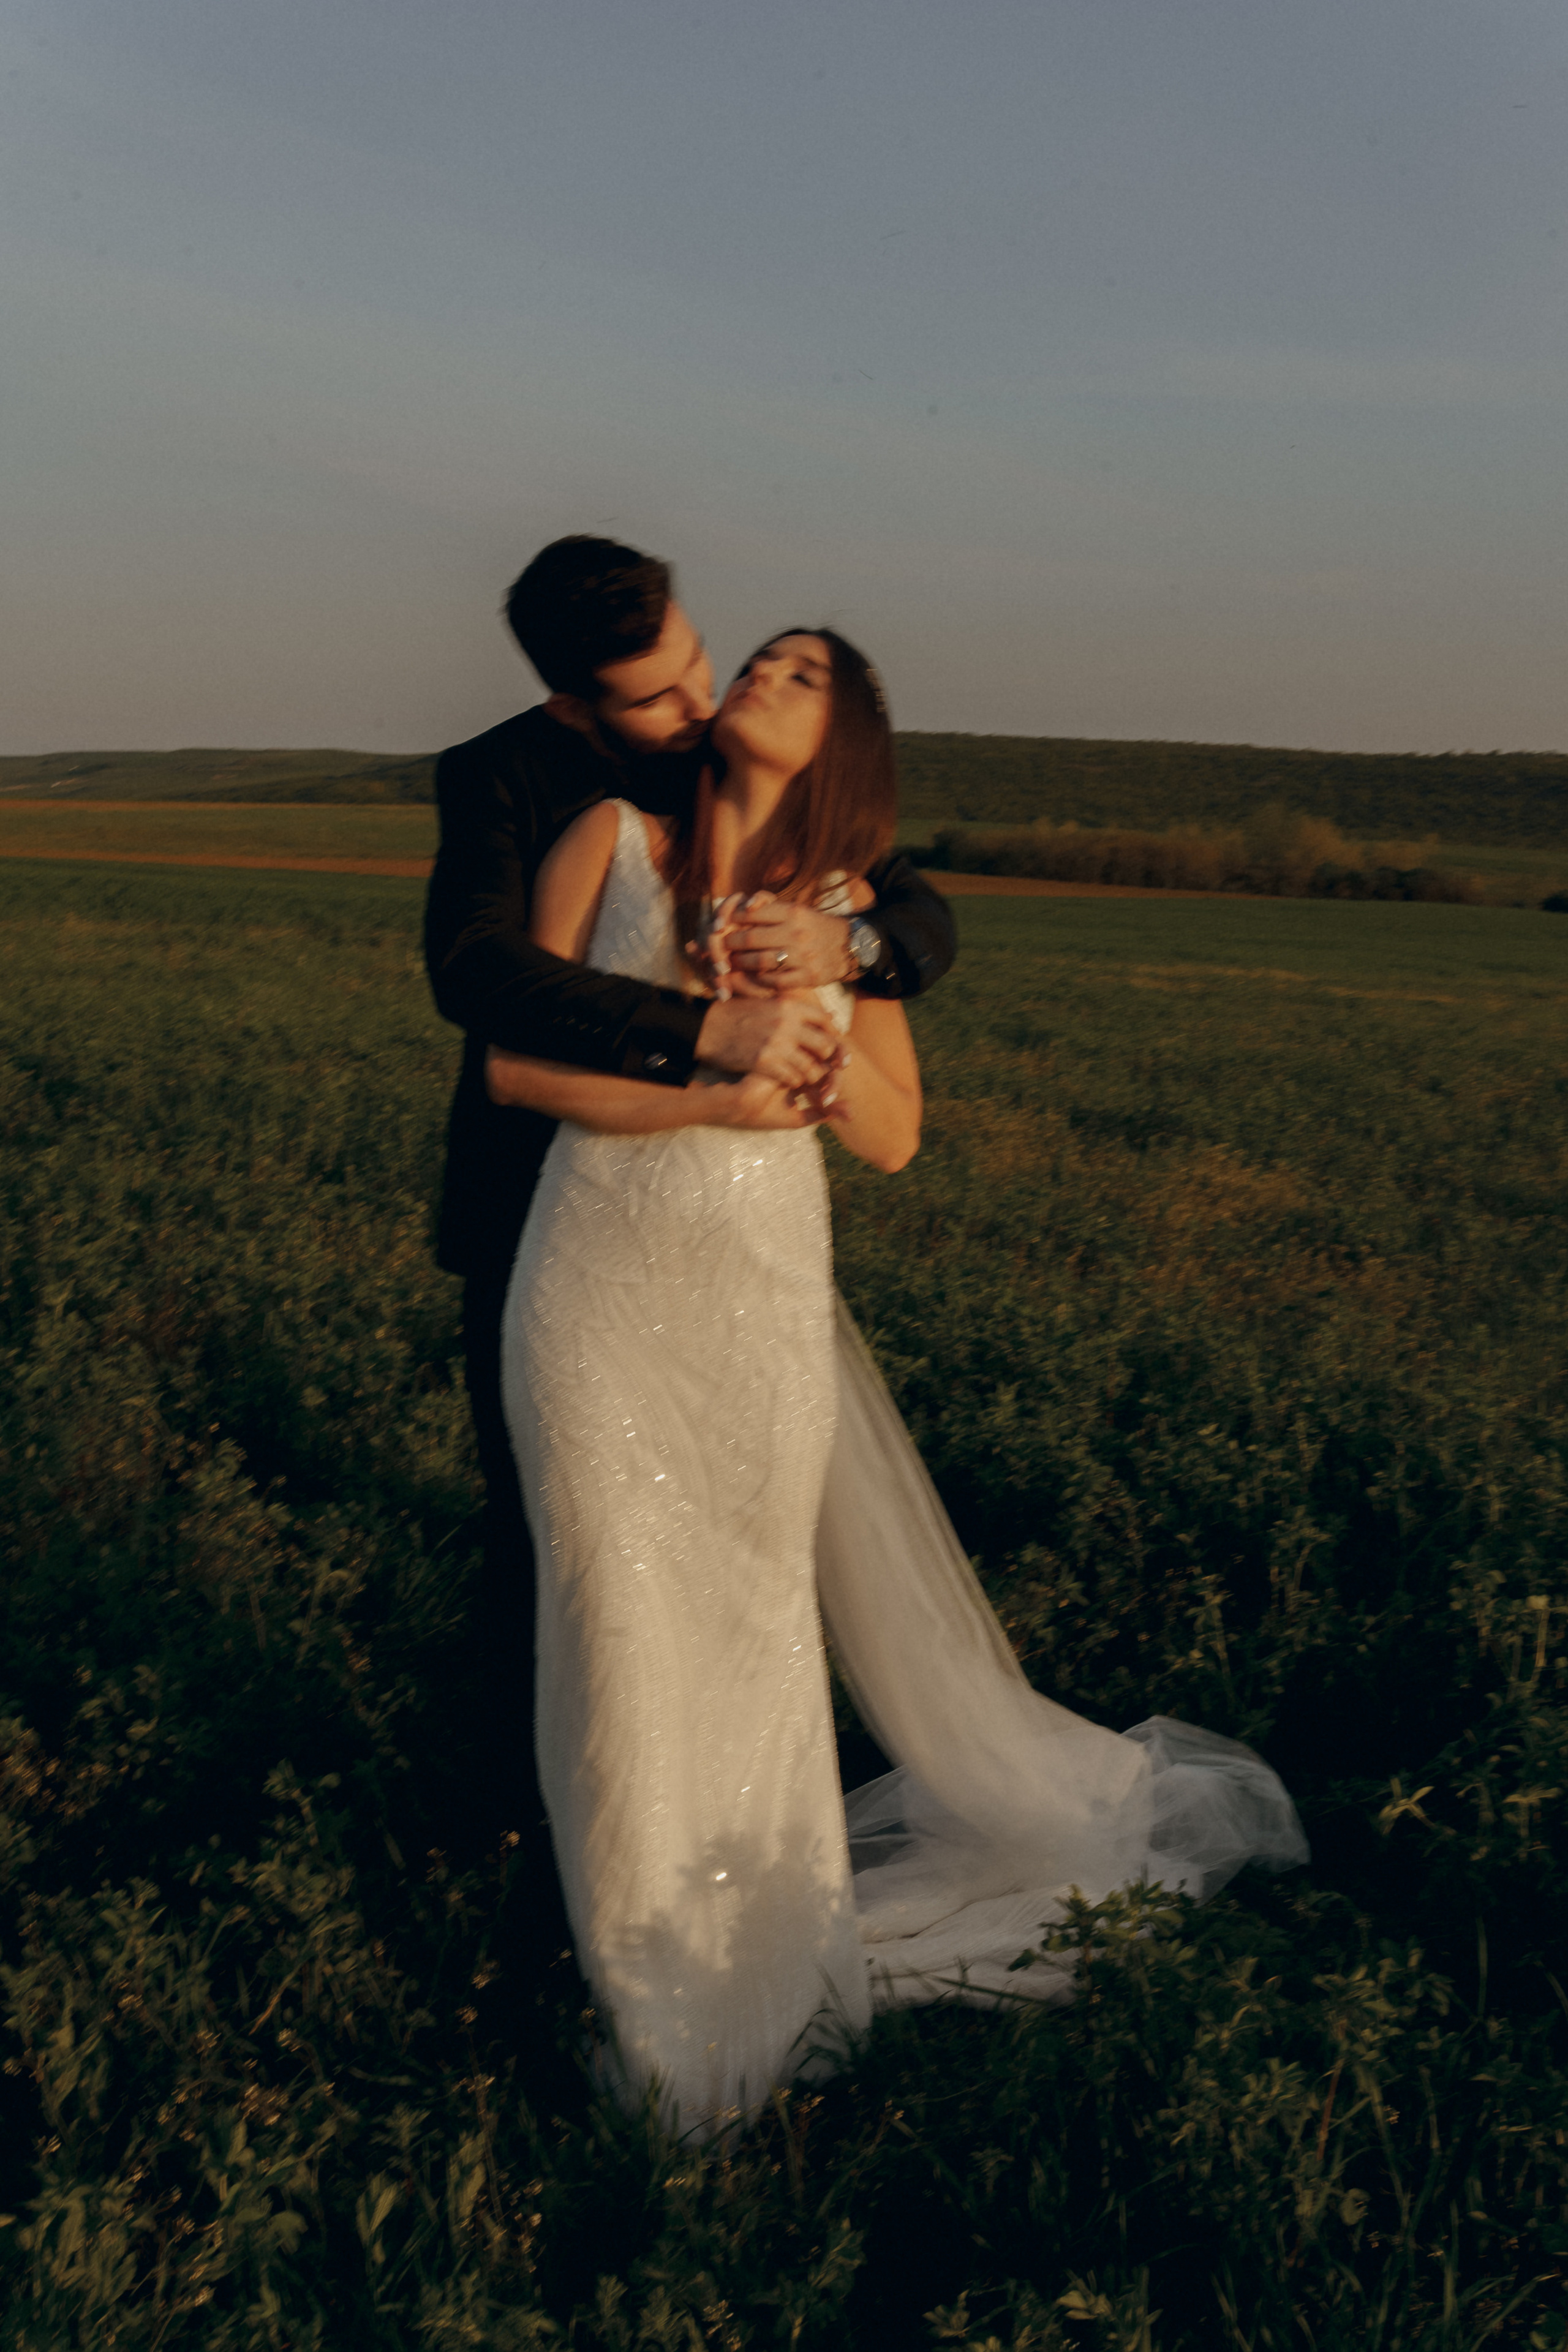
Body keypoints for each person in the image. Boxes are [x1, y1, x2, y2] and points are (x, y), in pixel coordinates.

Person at [486, 626, 1308, 2135]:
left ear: (839, 742)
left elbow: (887, 1135)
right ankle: (656, 2008)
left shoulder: (840, 915)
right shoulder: (607, 838)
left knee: (746, 1633)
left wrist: (828, 1002)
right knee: (609, 1617)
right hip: (595, 1282)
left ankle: (758, 1968)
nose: (758, 674)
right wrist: (716, 1092)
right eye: (759, 656)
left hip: (756, 1292)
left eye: (800, 675)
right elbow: (518, 1071)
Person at [423, 539, 957, 1849]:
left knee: (747, 1573)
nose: (703, 705)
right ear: (573, 708)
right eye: (658, 699)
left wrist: (850, 955)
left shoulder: (831, 870)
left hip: (748, 1265)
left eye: (709, 666)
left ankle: (741, 1858)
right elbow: (482, 989)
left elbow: (919, 940)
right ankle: (530, 1842)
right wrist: (703, 1040)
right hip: (558, 1235)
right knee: (561, 1560)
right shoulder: (525, 788)